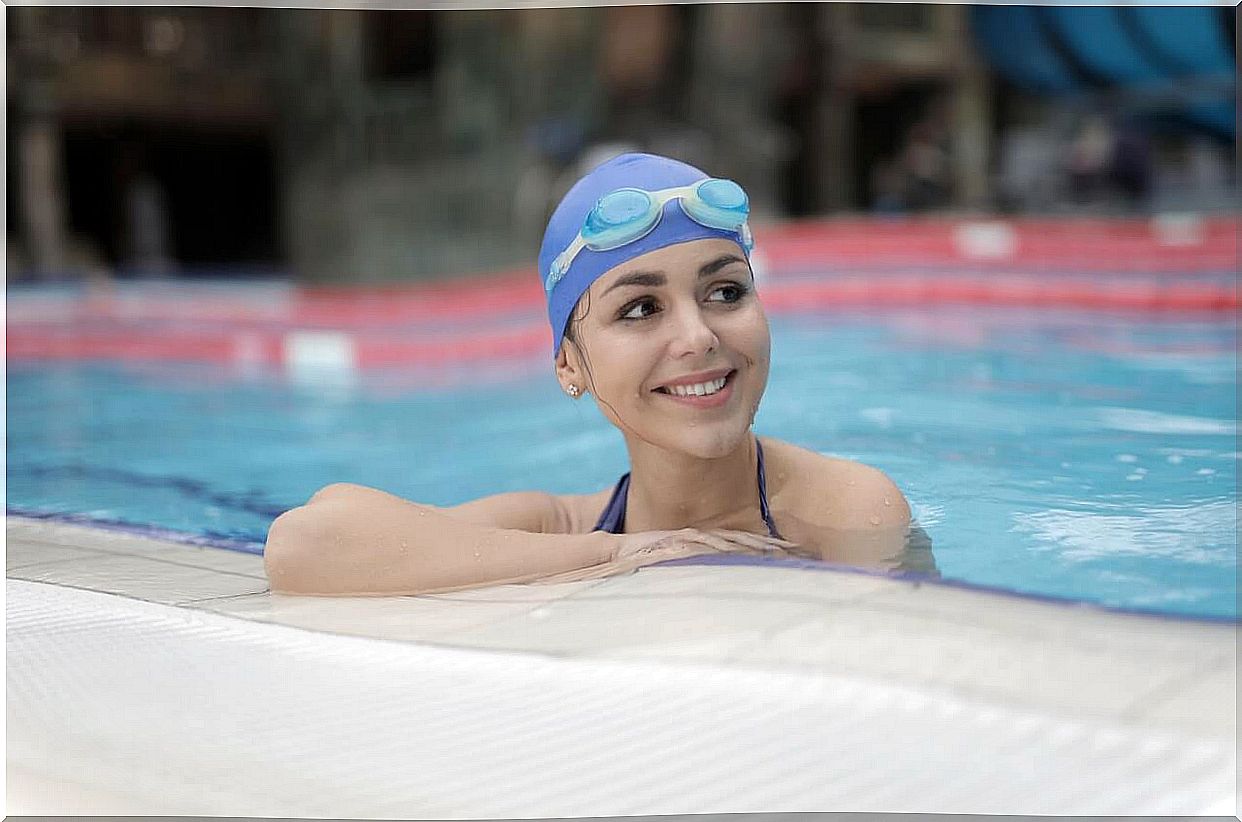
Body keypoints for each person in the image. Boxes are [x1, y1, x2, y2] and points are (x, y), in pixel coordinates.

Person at [264, 153, 917, 596]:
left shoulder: (846, 511)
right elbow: (307, 541)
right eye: (640, 308)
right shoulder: (566, 528)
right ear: (570, 365)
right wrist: (617, 555)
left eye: (725, 292)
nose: (698, 336)